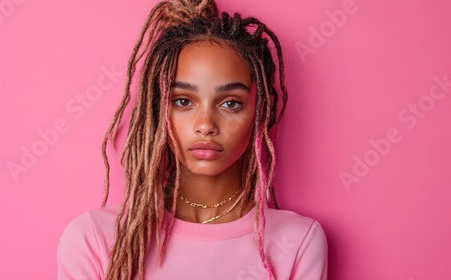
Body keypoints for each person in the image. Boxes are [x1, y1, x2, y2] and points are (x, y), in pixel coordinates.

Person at [57, 0, 328, 279]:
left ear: (259, 111)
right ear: (158, 109)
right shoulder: (95, 239)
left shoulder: (297, 242)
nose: (206, 125)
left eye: (231, 103)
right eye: (184, 101)